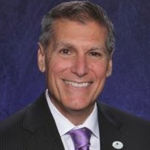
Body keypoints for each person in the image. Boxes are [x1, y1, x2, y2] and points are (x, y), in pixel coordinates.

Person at [0, 1, 150, 150]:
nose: (80, 69)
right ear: (42, 58)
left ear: (109, 64)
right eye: (66, 51)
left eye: (94, 54)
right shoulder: (5, 140)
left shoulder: (143, 137)